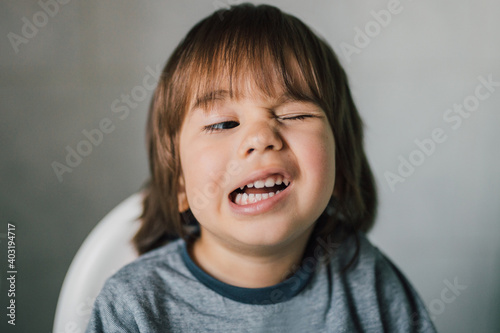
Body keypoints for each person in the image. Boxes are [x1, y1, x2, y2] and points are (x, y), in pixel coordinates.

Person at [85, 3, 437, 332]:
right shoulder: (134, 306)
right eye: (223, 123)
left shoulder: (367, 280)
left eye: (294, 114)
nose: (260, 137)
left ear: (341, 167)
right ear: (179, 184)